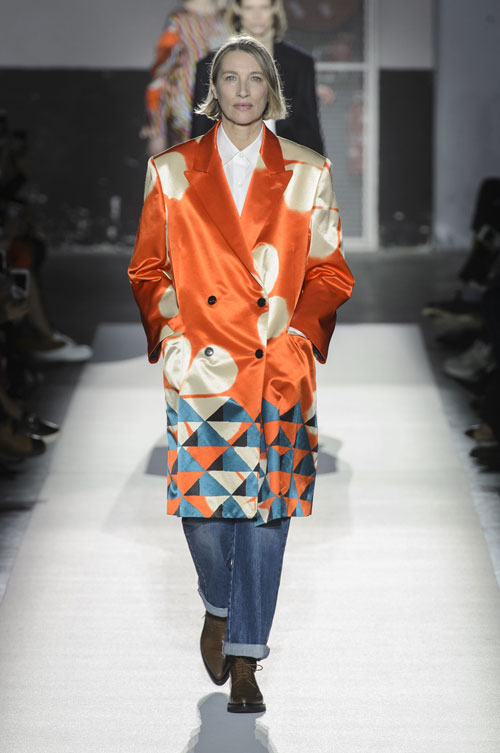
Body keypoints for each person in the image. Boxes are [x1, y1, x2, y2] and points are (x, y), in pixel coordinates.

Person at [129, 35, 354, 713]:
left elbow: (330, 270)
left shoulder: (307, 170)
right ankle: (219, 604)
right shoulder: (171, 170)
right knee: (203, 511)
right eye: (230, 77)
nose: (243, 90)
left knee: (266, 514)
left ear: (271, 89)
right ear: (214, 90)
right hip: (203, 367)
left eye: (255, 78)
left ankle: (248, 656)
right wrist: (175, 334)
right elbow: (148, 268)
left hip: (273, 364)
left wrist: (298, 334)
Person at [191, 0, 325, 153]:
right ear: (238, 9)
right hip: (225, 160)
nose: (257, 16)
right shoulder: (209, 66)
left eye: (264, 7)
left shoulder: (299, 64)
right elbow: (201, 130)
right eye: (249, 8)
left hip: (285, 161)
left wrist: (317, 167)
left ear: (274, 9)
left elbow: (309, 130)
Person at [143, 0, 228, 154]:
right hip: (187, 105)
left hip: (225, 106)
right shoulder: (179, 21)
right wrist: (157, 129)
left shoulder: (229, 16)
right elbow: (161, 71)